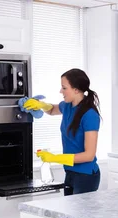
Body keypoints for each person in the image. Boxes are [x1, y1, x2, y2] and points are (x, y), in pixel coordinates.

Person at [21, 68, 101, 196]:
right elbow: (52, 110)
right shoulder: (68, 106)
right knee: (69, 215)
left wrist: (55, 158)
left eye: (64, 88)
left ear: (76, 89)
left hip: (86, 176)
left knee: (81, 215)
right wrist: (40, 105)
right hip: (70, 172)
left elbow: (89, 155)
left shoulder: (89, 115)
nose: (60, 91)